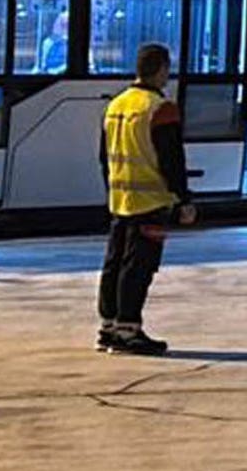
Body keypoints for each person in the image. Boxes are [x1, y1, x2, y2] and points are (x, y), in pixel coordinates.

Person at [97, 41, 195, 355]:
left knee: (114, 264)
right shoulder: (160, 108)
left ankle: (109, 327)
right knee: (138, 267)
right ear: (162, 70)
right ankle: (129, 330)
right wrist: (183, 198)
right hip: (150, 201)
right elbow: (171, 159)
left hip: (120, 199)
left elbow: (103, 157)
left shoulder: (117, 105)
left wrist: (113, 189)